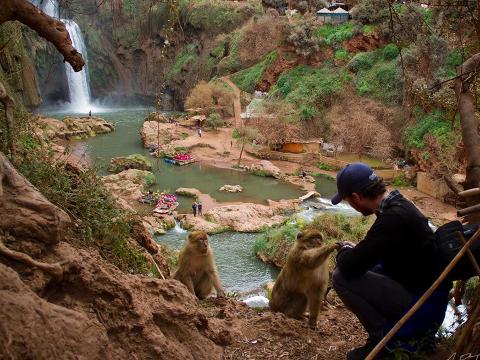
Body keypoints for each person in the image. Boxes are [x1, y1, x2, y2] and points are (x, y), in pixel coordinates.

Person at [330, 163, 449, 359]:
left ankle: (384, 341)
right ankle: (390, 334)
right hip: (424, 293)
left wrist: (344, 250)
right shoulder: (400, 204)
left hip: (420, 303)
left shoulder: (392, 218)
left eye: (348, 201)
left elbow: (350, 267)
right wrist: (355, 252)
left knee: (340, 277)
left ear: (357, 198)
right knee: (369, 268)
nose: (351, 205)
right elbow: (371, 252)